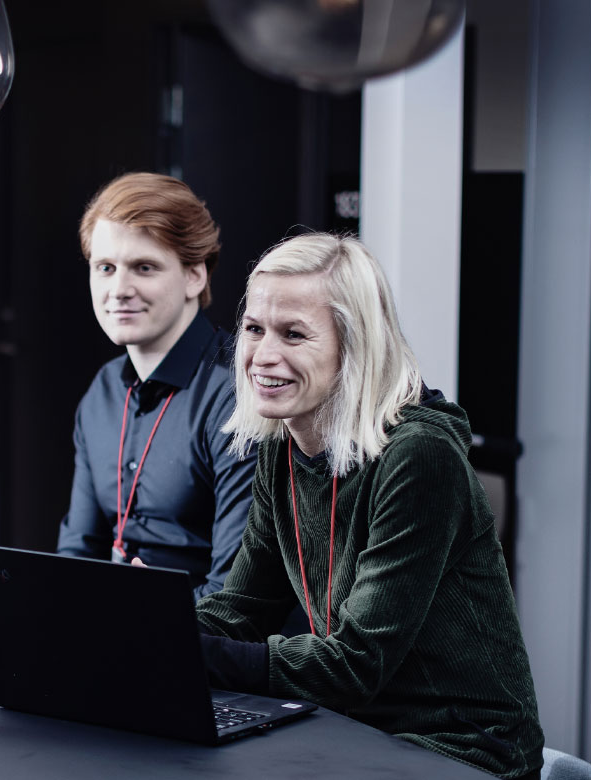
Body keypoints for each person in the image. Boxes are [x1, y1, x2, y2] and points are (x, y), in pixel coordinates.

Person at [193, 233, 544, 778]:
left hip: (464, 749)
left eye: (294, 334)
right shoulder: (281, 446)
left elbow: (355, 665)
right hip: (353, 730)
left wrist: (187, 650)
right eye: (254, 329)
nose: (263, 355)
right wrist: (153, 625)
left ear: (353, 346)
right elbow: (241, 609)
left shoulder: (418, 456)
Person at [56, 172, 256, 598]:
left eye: (144, 268)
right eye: (105, 268)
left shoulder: (239, 395)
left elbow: (233, 595)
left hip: (205, 645)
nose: (118, 290)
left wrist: (141, 620)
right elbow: (77, 551)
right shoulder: (104, 391)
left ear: (194, 276)